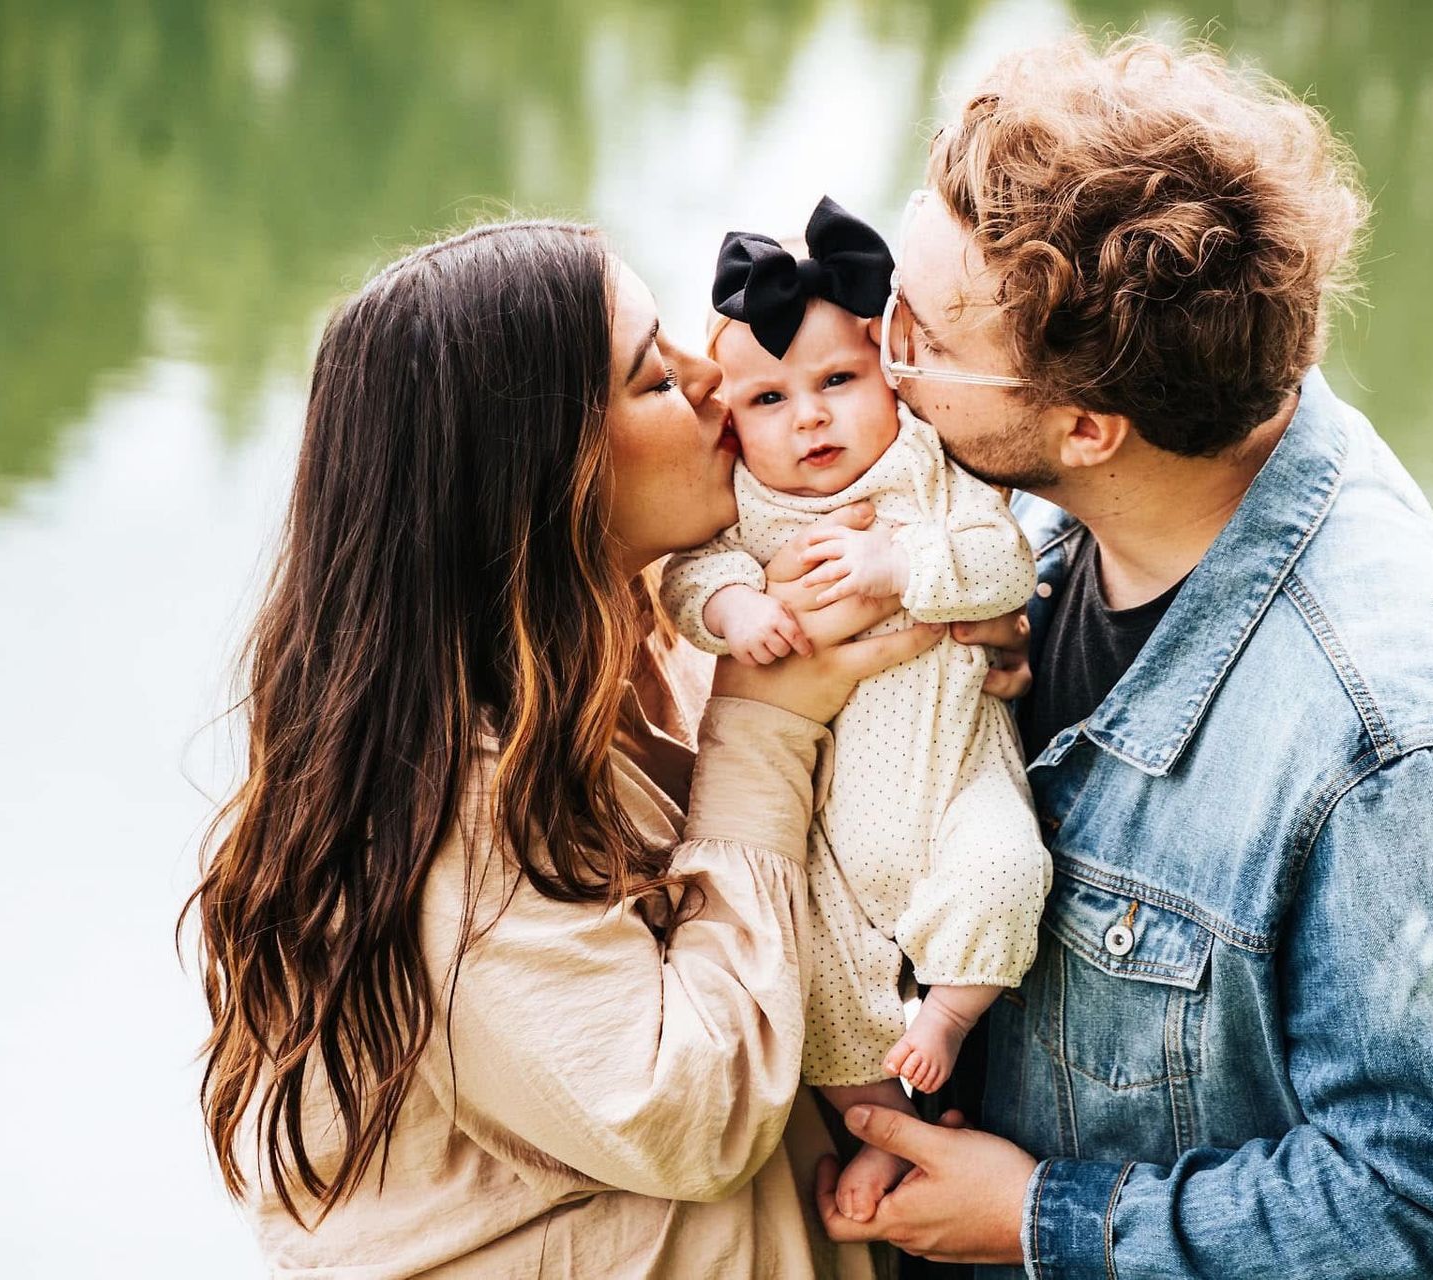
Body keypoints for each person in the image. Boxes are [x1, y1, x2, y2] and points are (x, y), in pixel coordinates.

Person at [815, 35, 1433, 1280]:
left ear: (1086, 423)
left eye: (922, 329)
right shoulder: (1070, 504)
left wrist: (1043, 1218)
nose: (878, 343)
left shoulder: (1407, 751)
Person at [181, 219, 1024, 1277]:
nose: (718, 382)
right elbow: (690, 1113)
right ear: (534, 470)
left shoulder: (633, 649)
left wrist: (950, 663)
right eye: (654, 378)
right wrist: (765, 722)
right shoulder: (440, 804)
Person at [660, 197, 1050, 1223]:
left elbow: (1007, 559)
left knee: (1008, 863)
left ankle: (954, 1017)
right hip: (831, 821)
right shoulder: (746, 509)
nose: (811, 418)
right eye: (770, 400)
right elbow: (689, 582)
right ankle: (878, 1132)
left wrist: (902, 560)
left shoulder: (930, 470)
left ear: (891, 372)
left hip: (957, 768)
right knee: (817, 970)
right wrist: (735, 604)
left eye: (839, 380)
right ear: (732, 422)